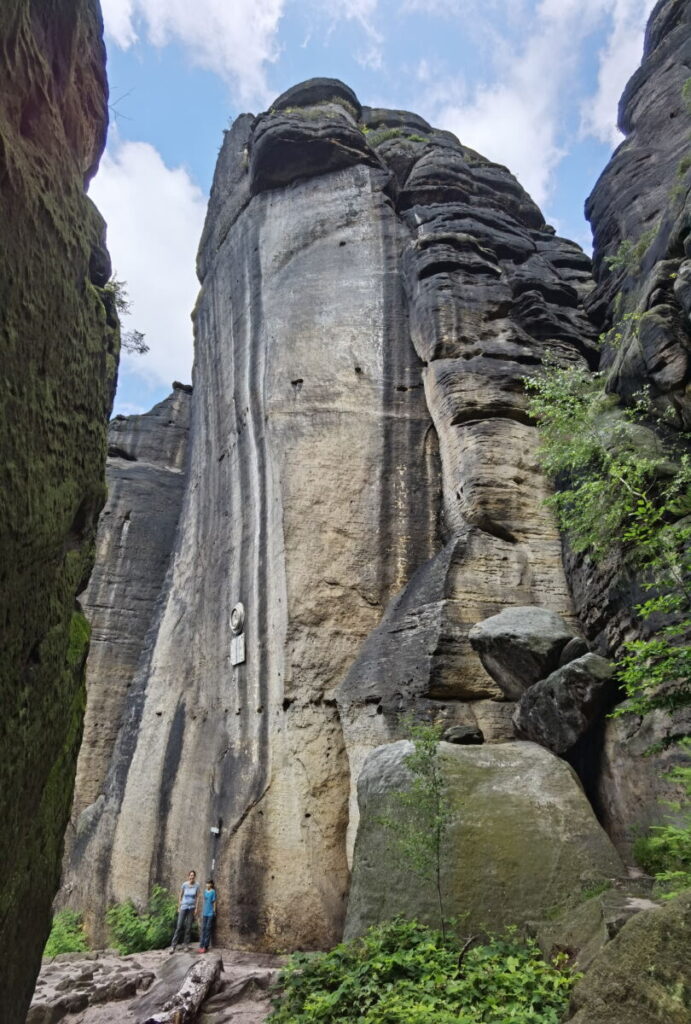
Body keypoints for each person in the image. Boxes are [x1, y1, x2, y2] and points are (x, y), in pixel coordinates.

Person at [170, 870, 200, 951]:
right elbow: (180, 894)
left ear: (195, 877)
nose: (191, 877)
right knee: (179, 926)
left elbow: (197, 897)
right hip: (184, 907)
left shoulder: (197, 885)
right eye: (190, 875)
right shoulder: (184, 884)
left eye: (193, 875)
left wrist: (197, 908)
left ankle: (186, 945)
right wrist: (179, 906)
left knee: (188, 927)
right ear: (188, 876)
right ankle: (173, 945)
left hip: (192, 908)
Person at [198, 878, 217, 953]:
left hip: (210, 913)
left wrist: (214, 911)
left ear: (211, 884)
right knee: (203, 929)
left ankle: (205, 946)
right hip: (204, 913)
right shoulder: (205, 891)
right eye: (207, 883)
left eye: (209, 883)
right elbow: (205, 901)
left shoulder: (213, 892)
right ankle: (201, 945)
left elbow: (214, 902)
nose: (207, 885)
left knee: (208, 929)